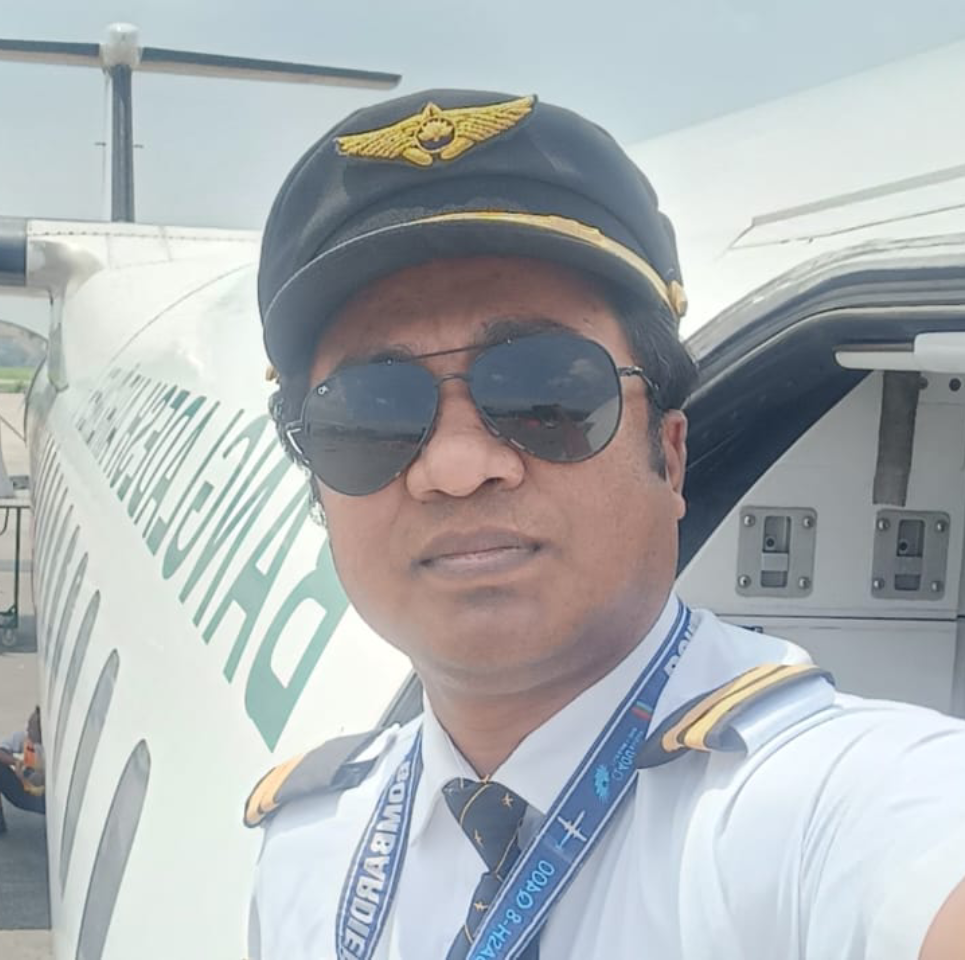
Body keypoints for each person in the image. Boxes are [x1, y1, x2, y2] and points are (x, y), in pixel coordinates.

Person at [244, 89, 965, 959]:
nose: (457, 466)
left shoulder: (826, 809)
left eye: (546, 393)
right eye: (370, 415)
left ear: (671, 456)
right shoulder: (309, 853)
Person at [0, 705, 45, 840]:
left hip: (48, 798)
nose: (27, 730)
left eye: (31, 728)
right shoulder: (25, 738)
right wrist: (17, 763)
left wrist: (35, 778)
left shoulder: (51, 748)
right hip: (29, 794)